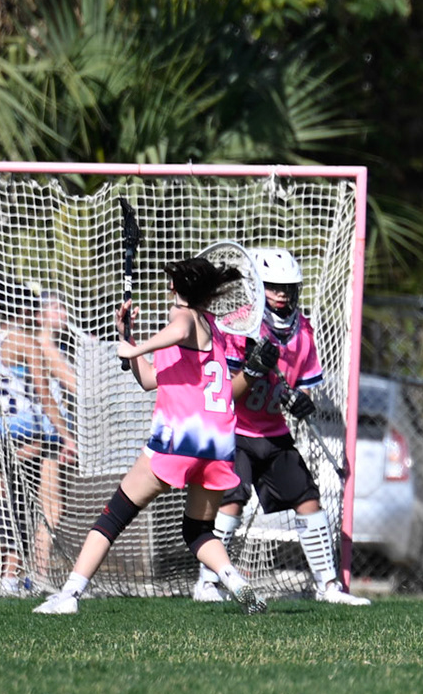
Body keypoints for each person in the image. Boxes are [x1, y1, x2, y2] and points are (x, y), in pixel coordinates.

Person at [34, 257, 264, 615]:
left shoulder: (184, 317)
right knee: (198, 530)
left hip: (178, 441)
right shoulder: (211, 328)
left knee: (113, 516)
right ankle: (238, 585)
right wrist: (127, 336)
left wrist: (135, 348)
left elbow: (179, 327)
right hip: (217, 445)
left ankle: (69, 595)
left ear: (175, 287)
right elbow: (148, 379)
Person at [194, 248, 369, 607]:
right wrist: (253, 370)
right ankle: (208, 582)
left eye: (288, 288)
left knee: (307, 500)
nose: (282, 295)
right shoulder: (238, 326)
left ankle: (328, 586)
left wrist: (302, 400)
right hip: (235, 431)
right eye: (273, 287)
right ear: (258, 288)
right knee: (232, 500)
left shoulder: (302, 330)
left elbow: (304, 385)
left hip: (273, 432)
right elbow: (226, 394)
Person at [0, 282, 77, 594]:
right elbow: (45, 396)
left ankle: (5, 578)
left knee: (1, 508)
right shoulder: (27, 344)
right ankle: (24, 575)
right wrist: (67, 436)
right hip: (23, 434)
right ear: (24, 310)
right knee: (29, 506)